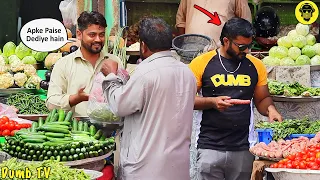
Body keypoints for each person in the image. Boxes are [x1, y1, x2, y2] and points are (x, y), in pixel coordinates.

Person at [100, 17, 197, 180]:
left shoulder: (145, 72)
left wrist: (111, 76)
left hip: (146, 169)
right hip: (178, 167)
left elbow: (119, 105)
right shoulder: (187, 73)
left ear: (143, 46)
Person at [188, 17, 282, 180]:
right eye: (242, 46)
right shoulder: (201, 63)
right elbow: (185, 100)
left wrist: (271, 110)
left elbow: (262, 99)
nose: (246, 51)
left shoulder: (256, 65)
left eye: (249, 46)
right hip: (209, 146)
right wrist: (212, 102)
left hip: (243, 147)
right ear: (226, 41)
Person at [46, 11, 120, 116]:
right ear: (79, 34)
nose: (98, 39)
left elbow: (126, 97)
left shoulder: (114, 61)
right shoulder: (63, 64)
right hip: (77, 130)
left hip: (110, 129)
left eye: (102, 35)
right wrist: (75, 98)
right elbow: (51, 103)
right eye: (92, 35)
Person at [176, 0, 252, 47]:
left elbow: (245, 23)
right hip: (191, 48)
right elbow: (181, 20)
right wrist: (183, 45)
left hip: (220, 50)